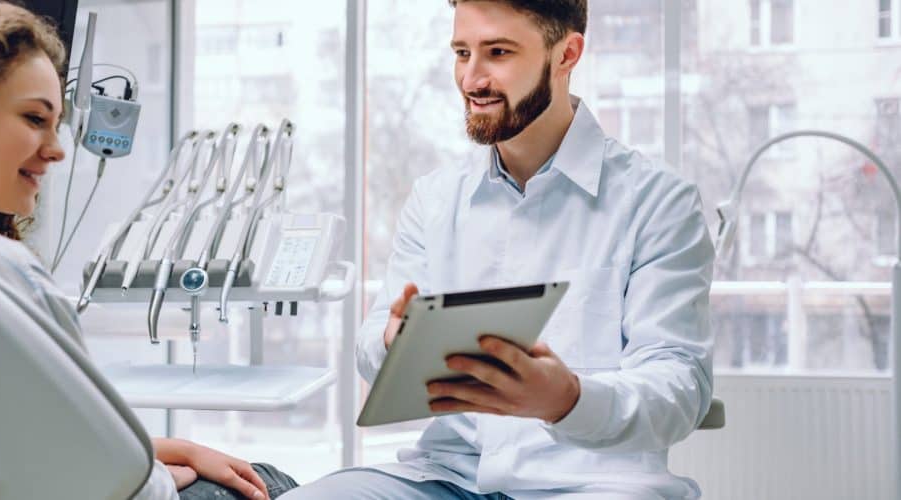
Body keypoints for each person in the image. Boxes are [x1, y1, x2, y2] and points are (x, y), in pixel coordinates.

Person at [0, 1, 297, 499]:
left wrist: (166, 449)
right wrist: (162, 475)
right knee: (267, 480)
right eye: (35, 118)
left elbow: (1, 440)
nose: (56, 149)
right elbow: (117, 484)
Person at [281, 1, 714, 499]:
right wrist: (394, 342)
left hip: (592, 482)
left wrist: (568, 399)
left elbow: (680, 387)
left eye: (498, 52)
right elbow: (369, 353)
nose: (472, 78)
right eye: (462, 52)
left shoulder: (658, 201)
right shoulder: (435, 198)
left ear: (566, 54)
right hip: (447, 476)